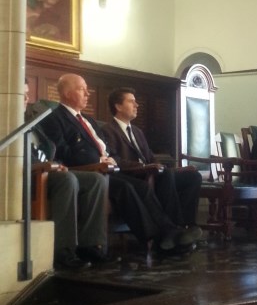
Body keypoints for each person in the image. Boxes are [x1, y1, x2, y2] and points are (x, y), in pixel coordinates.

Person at [38, 74, 196, 256]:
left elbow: (106, 148)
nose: (88, 94)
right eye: (82, 89)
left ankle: (169, 233)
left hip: (109, 168)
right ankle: (159, 238)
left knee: (142, 186)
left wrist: (110, 158)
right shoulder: (54, 119)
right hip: (88, 171)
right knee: (125, 188)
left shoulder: (89, 120)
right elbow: (62, 152)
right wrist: (98, 160)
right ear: (67, 93)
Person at [25, 80, 109, 269]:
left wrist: (56, 164)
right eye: (22, 95)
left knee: (95, 180)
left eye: (27, 94)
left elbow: (48, 149)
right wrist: (51, 166)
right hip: (29, 175)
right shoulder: (10, 119)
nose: (27, 99)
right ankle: (63, 251)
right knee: (68, 179)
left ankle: (90, 245)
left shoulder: (31, 122)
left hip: (51, 168)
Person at [102, 87, 203, 237]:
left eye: (136, 102)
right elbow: (114, 159)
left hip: (152, 171)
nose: (137, 105)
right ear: (118, 106)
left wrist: (168, 168)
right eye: (131, 101)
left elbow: (150, 157)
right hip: (135, 175)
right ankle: (174, 229)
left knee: (192, 176)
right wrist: (143, 167)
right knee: (165, 175)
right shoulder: (108, 130)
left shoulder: (137, 131)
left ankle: (187, 225)